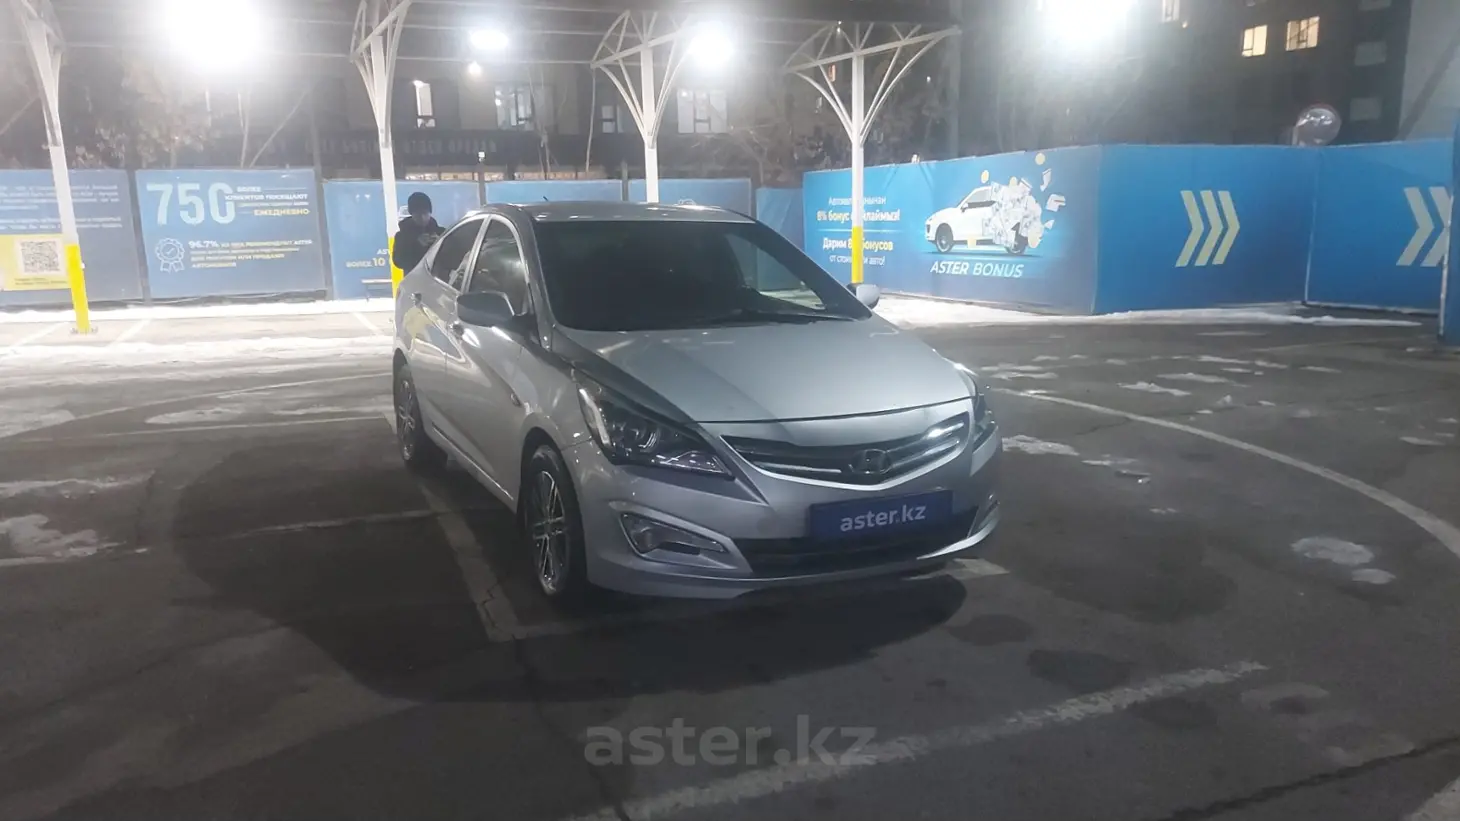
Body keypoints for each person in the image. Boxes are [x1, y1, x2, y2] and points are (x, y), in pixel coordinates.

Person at [391, 192, 443, 273]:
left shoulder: (442, 233)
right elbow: (398, 262)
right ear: (411, 214)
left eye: (425, 213)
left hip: (437, 279)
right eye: (418, 214)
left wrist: (440, 243)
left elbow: (453, 258)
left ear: (430, 213)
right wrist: (417, 245)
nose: (422, 217)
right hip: (414, 279)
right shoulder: (402, 237)